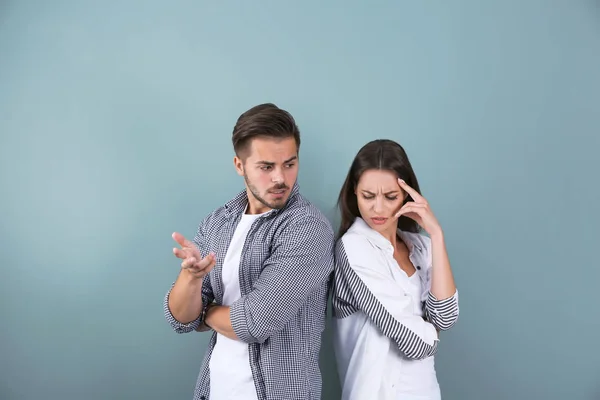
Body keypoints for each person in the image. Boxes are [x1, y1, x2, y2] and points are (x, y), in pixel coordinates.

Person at [163, 103, 335, 400]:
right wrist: (191, 280)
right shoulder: (218, 222)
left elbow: (255, 322)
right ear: (239, 165)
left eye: (290, 164)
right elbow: (179, 319)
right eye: (267, 167)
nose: (280, 178)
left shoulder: (308, 227)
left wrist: (204, 312)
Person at [331, 139, 460, 400]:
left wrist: (436, 234)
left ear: (407, 195)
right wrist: (430, 329)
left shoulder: (421, 247)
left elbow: (446, 317)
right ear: (355, 191)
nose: (378, 208)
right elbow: (413, 342)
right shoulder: (354, 247)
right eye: (368, 196)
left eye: (390, 197)